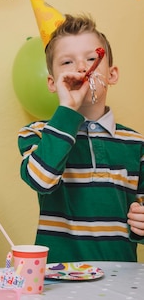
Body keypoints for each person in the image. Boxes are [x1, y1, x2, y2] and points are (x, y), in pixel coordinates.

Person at [18, 14, 144, 263]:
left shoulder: (136, 144)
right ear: (53, 83)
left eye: (92, 58)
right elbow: (41, 180)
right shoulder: (37, 133)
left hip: (121, 279)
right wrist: (67, 109)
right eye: (67, 62)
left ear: (112, 74)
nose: (82, 68)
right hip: (59, 278)